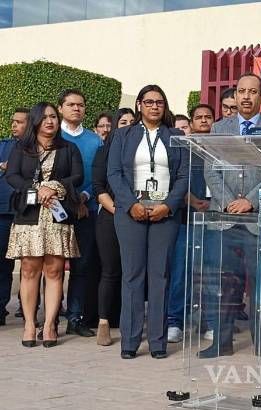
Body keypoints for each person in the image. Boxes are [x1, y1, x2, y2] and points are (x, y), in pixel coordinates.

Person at [107, 84, 188, 359]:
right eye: (149, 102)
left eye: (160, 102)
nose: (155, 106)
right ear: (139, 105)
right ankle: (129, 342)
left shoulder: (175, 135)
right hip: (131, 212)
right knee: (132, 276)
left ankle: (157, 342)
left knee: (160, 276)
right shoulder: (123, 135)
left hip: (165, 213)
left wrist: (168, 205)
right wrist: (131, 204)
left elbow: (183, 176)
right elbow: (114, 173)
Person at [201, 72, 261, 358]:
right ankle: (222, 342)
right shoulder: (219, 128)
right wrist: (230, 202)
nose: (246, 96)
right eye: (242, 91)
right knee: (224, 285)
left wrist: (249, 202)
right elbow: (210, 171)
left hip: (257, 222)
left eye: (252, 91)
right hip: (224, 220)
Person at [5, 102, 83, 348]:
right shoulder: (21, 148)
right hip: (29, 215)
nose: (50, 121)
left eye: (53, 117)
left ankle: (49, 325)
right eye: (45, 117)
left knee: (54, 271)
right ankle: (30, 324)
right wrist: (36, 189)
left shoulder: (69, 148)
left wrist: (55, 187)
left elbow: (78, 176)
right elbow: (12, 176)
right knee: (29, 269)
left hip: (57, 215)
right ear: (35, 121)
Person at [167, 104, 213, 344]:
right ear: (192, 123)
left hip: (215, 219)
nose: (204, 120)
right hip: (187, 218)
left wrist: (214, 203)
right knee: (181, 272)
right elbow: (174, 180)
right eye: (199, 117)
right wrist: (193, 200)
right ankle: (175, 321)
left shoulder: (221, 146)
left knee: (212, 273)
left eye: (208, 117)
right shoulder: (183, 149)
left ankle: (210, 322)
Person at [58, 88, 102, 337]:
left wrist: (84, 197)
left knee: (82, 266)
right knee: (52, 266)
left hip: (87, 210)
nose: (76, 108)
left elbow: (99, 175)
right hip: (55, 209)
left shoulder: (95, 140)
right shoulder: (52, 136)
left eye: (81, 105)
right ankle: (51, 317)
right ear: (60, 108)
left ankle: (75, 317)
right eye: (71, 104)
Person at [0, 108, 30, 328]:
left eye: (19, 122)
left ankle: (27, 308)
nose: (13, 125)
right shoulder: (2, 146)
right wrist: (3, 166)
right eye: (13, 121)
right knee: (2, 264)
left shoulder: (38, 146)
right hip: (3, 211)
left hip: (28, 212)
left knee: (30, 264)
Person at [92, 107, 135, 346]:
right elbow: (98, 187)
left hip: (137, 216)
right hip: (111, 216)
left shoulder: (142, 153)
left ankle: (130, 321)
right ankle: (104, 322)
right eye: (123, 122)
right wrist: (119, 211)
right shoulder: (104, 152)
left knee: (133, 272)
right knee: (110, 271)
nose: (128, 126)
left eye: (132, 122)